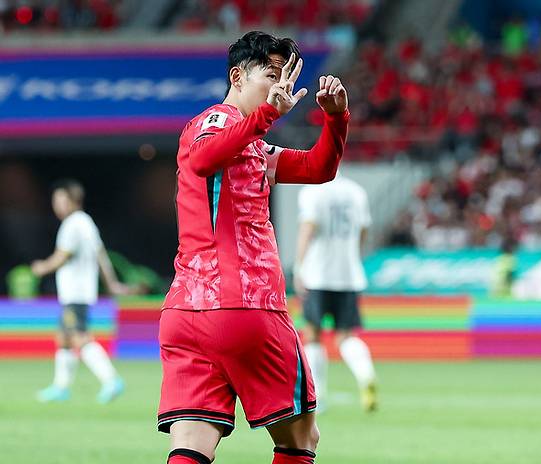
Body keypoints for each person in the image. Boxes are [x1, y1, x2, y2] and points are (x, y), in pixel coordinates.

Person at [158, 31, 349, 464]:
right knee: (300, 437)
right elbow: (205, 158)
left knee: (192, 438)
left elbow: (319, 169)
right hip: (246, 308)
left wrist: (336, 118)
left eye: (286, 76)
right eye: (271, 74)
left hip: (185, 316)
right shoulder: (216, 122)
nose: (281, 85)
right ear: (237, 76)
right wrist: (266, 113)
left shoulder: (253, 146)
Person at [30, 179, 129, 404]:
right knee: (64, 337)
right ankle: (60, 387)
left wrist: (42, 267)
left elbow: (62, 255)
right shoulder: (86, 222)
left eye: (60, 200)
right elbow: (101, 255)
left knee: (79, 337)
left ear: (74, 201)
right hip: (80, 291)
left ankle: (111, 380)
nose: (57, 205)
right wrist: (111, 283)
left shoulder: (72, 224)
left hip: (75, 292)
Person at [293, 175, 377, 413]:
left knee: (313, 334)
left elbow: (308, 228)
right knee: (346, 336)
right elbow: (362, 232)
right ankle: (366, 375)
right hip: (349, 274)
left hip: (318, 273)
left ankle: (318, 396)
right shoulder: (356, 191)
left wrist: (299, 267)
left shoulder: (312, 191)